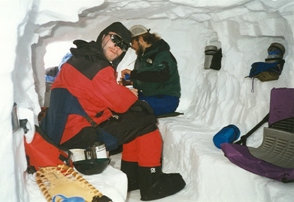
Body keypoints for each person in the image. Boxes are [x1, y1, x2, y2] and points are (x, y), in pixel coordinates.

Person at [40, 22, 185, 201]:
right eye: (115, 40)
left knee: (131, 120)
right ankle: (152, 182)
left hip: (61, 129)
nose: (117, 48)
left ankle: (132, 178)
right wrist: (134, 100)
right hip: (78, 133)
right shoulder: (97, 66)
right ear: (104, 36)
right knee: (144, 119)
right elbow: (120, 103)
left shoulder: (80, 58)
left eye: (123, 46)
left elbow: (91, 97)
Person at [120, 25, 181, 116]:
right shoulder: (142, 57)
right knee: (118, 100)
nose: (132, 47)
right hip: (149, 96)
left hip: (166, 99)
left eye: (132, 43)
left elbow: (161, 75)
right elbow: (145, 79)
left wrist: (134, 74)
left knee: (132, 109)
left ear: (140, 39)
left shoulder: (162, 53)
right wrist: (128, 82)